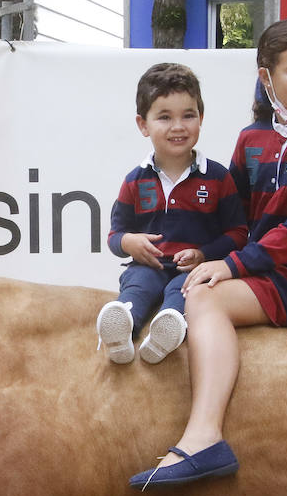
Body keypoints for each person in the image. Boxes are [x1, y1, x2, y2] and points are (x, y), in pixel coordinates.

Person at [130, 18, 287, 488]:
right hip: (269, 272)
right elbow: (232, 217)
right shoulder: (252, 138)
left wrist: (232, 265)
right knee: (186, 281)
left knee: (204, 298)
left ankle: (204, 439)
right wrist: (190, 250)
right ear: (267, 77)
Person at [99, 63, 247, 366]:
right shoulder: (134, 181)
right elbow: (115, 235)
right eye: (164, 117)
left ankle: (169, 328)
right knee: (137, 287)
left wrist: (203, 254)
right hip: (147, 267)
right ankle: (122, 328)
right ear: (143, 124)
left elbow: (238, 234)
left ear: (201, 119)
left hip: (192, 273)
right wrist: (129, 243)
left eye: (188, 115)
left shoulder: (218, 178)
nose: (178, 126)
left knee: (187, 294)